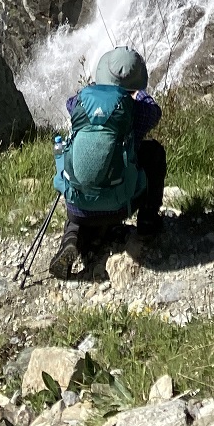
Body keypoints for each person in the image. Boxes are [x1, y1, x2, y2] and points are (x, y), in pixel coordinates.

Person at [49, 46, 165, 280]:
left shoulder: (79, 104)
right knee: (154, 152)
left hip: (78, 207)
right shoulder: (138, 110)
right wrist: (137, 93)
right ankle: (148, 223)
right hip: (120, 205)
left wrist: (97, 92)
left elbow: (70, 102)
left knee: (82, 185)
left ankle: (70, 240)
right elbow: (155, 110)